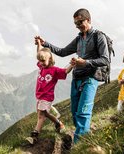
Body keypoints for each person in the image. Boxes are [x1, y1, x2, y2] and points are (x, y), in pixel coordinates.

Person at [34, 8, 109, 143]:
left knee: (83, 113)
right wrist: (45, 44)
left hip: (91, 78)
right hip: (77, 78)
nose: (78, 26)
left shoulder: (99, 37)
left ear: (89, 20)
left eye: (80, 22)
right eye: (75, 24)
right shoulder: (79, 39)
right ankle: (80, 136)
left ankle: (79, 145)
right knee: (75, 112)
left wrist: (85, 62)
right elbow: (62, 52)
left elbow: (105, 60)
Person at [26, 39, 73, 145]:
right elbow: (39, 54)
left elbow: (65, 71)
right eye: (40, 61)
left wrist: (72, 65)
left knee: (41, 116)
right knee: (45, 113)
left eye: (43, 61)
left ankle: (35, 135)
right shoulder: (42, 66)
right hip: (40, 96)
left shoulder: (54, 70)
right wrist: (38, 44)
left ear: (50, 58)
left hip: (47, 97)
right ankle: (59, 124)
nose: (41, 63)